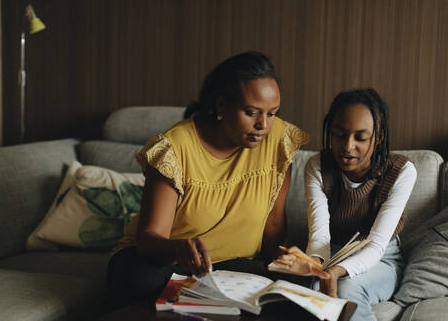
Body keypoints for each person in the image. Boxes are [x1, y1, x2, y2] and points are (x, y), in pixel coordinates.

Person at [105, 51, 322, 310]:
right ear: (221, 105)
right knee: (141, 279)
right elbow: (149, 239)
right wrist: (179, 250)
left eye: (272, 113)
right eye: (251, 112)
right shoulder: (175, 148)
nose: (263, 125)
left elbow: (273, 227)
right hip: (166, 264)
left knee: (295, 290)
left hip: (234, 267)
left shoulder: (277, 140)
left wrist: (287, 261)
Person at [272, 88, 417, 321]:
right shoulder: (317, 166)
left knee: (347, 289)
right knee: (309, 291)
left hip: (381, 258)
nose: (348, 146)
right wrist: (317, 267)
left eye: (360, 137)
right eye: (339, 135)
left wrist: (337, 272)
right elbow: (319, 237)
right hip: (331, 252)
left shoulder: (401, 172)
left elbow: (376, 245)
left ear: (378, 137)